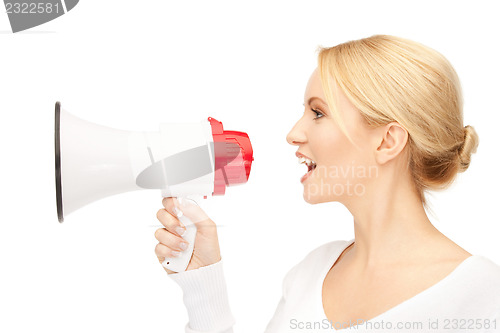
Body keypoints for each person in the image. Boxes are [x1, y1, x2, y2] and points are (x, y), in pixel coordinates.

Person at [153, 35, 500, 332]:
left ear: (387, 141)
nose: (293, 134)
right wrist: (204, 283)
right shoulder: (311, 272)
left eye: (318, 113)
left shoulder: (482, 294)